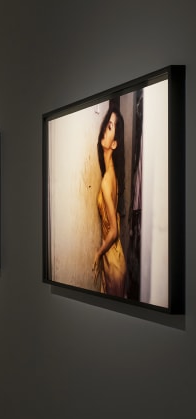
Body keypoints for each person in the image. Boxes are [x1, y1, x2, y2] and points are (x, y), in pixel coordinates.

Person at [92, 108, 127, 297]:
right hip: (114, 258)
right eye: (106, 123)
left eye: (110, 126)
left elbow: (114, 231)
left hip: (113, 262)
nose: (105, 128)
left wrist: (97, 253)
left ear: (114, 143)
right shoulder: (111, 174)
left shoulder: (107, 180)